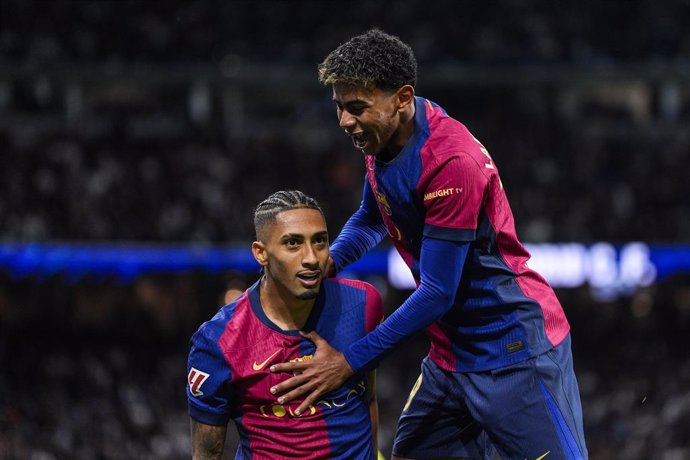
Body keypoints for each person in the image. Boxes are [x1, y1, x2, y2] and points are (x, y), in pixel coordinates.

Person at [269, 29, 588, 460]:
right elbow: (371, 215)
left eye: (356, 108)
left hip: (514, 354)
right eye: (339, 107)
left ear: (402, 98)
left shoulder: (451, 164)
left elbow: (437, 294)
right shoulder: (384, 135)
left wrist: (348, 363)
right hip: (450, 356)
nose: (345, 121)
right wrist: (332, 261)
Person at [186, 190, 383, 459]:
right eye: (293, 243)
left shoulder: (362, 304)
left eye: (320, 241)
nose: (311, 258)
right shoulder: (217, 342)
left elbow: (368, 398)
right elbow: (207, 453)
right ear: (261, 253)